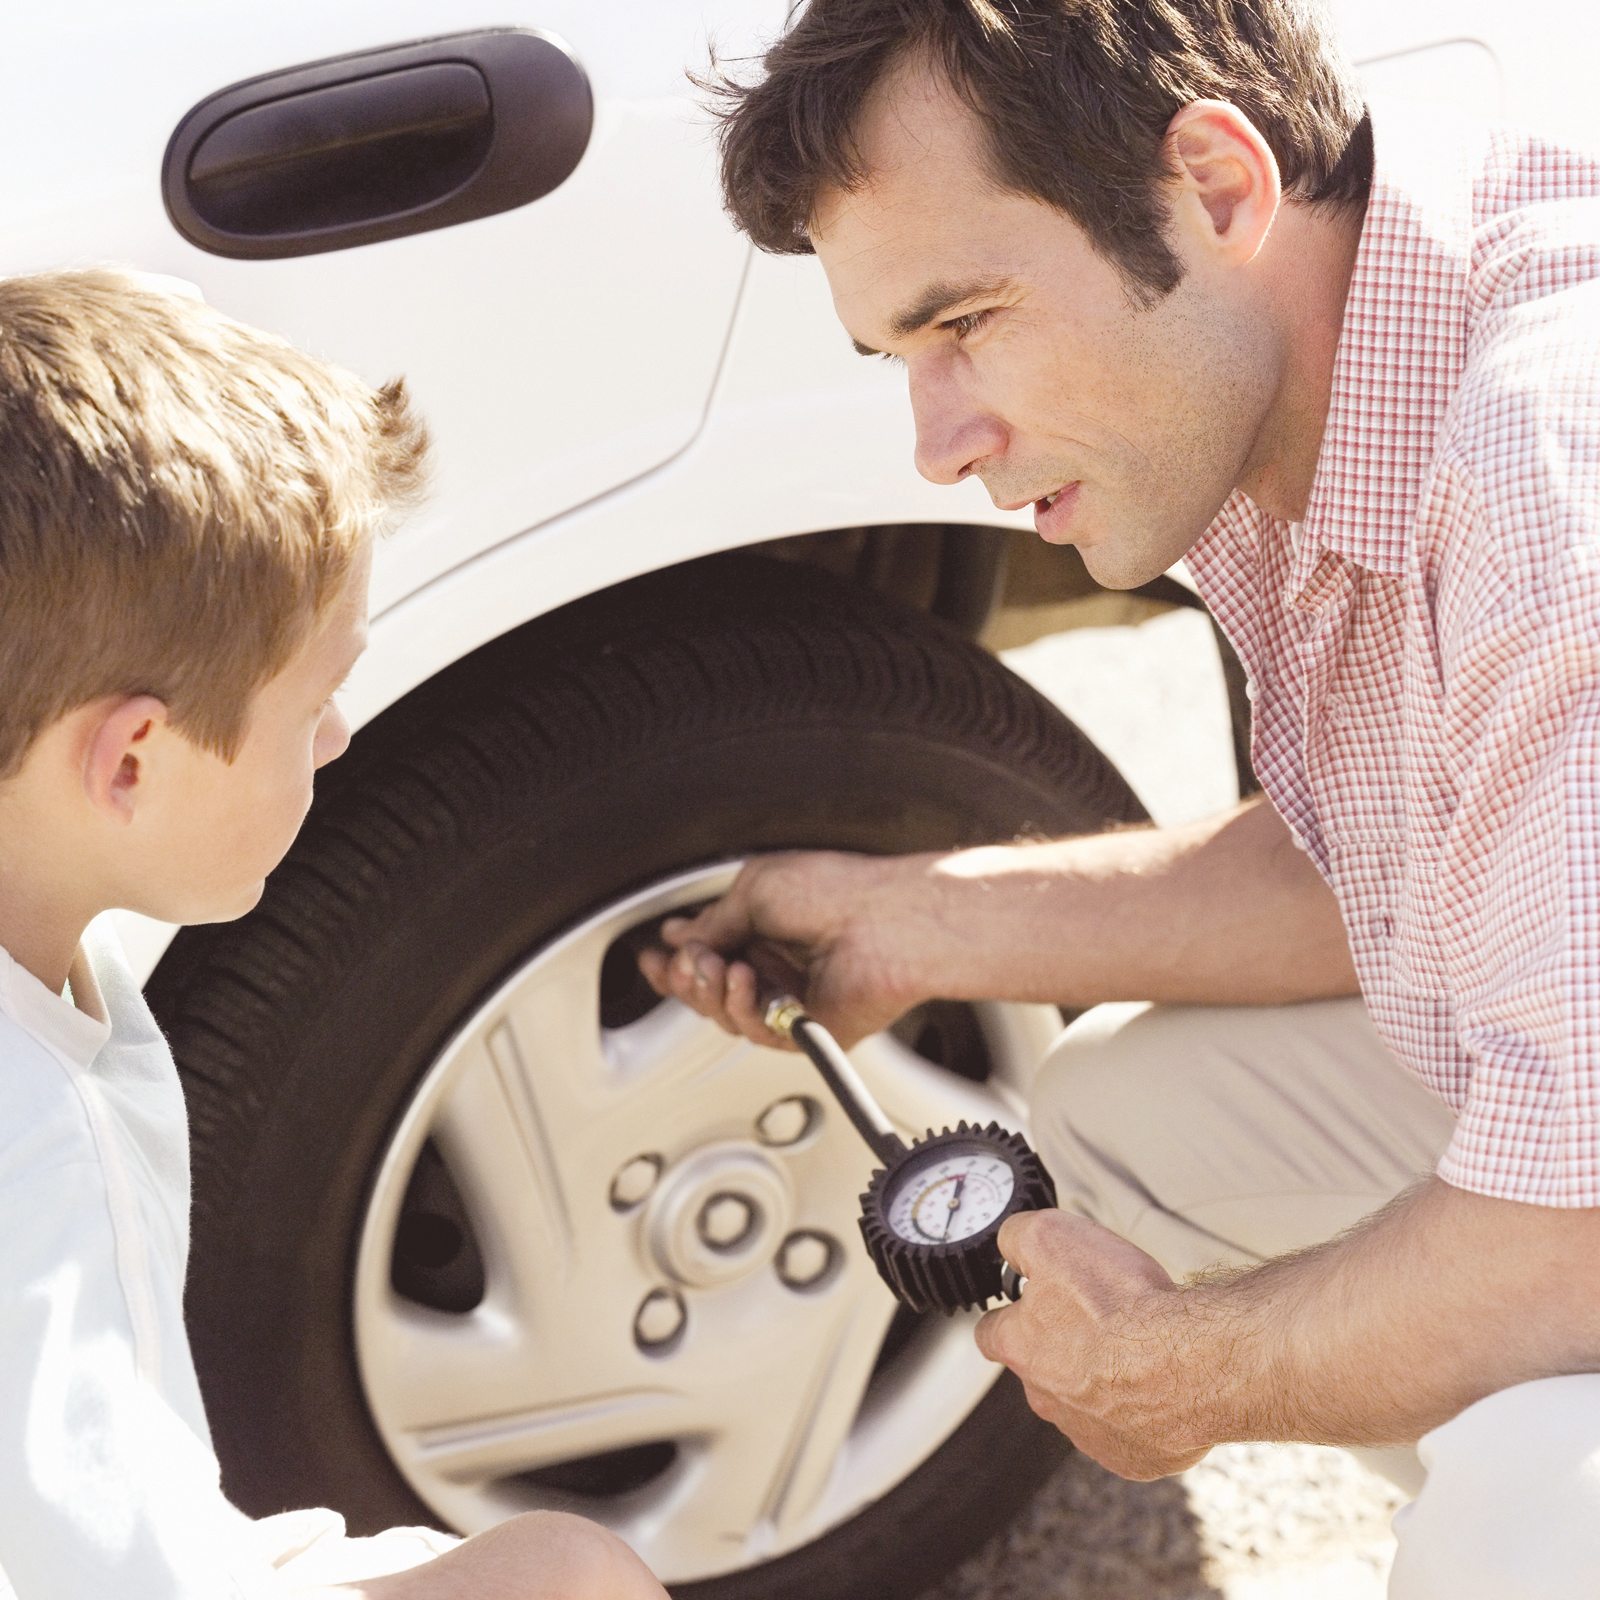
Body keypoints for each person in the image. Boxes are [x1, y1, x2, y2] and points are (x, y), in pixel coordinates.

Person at [639, 1, 1600, 1592]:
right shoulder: (1291, 368)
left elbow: (1578, 1236)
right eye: (902, 357)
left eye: (969, 323)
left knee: (1531, 1510)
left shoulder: (1547, 477)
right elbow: (1419, 847)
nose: (939, 446)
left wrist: (1188, 1367)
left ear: (1216, 189)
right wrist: (917, 920)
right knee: (1115, 1121)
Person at [0, 268, 669, 1600]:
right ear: (132, 760)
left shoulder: (58, 976)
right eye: (317, 697)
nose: (339, 738)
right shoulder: (31, 1146)